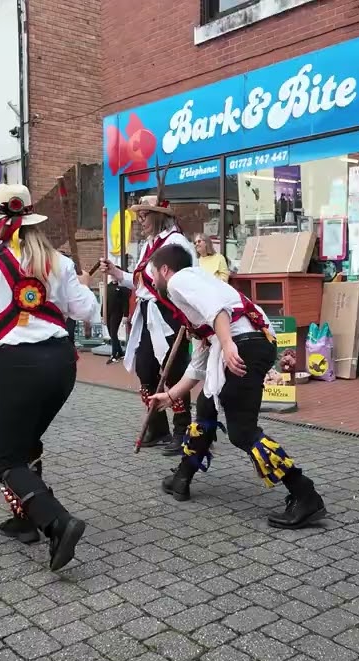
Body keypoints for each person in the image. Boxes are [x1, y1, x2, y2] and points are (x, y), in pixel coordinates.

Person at [0, 184, 99, 571]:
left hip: (17, 365)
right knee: (25, 442)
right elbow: (88, 312)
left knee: (6, 457)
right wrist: (81, 287)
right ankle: (25, 519)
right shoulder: (58, 261)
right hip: (61, 364)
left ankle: (57, 522)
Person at [147, 243, 327, 528]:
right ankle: (182, 477)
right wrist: (171, 395)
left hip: (244, 345)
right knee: (206, 409)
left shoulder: (179, 281)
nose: (152, 280)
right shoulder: (199, 285)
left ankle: (305, 495)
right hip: (248, 343)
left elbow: (218, 312)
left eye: (153, 273)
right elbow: (201, 361)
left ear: (165, 270)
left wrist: (229, 344)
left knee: (242, 431)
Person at [99, 182, 196, 456]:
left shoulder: (177, 244)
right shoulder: (149, 246)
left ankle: (183, 431)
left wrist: (188, 317)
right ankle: (158, 426)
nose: (140, 221)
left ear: (158, 216)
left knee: (173, 371)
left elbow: (184, 282)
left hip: (169, 314)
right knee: (145, 368)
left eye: (144, 215)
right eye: (139, 216)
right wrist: (116, 273)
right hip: (148, 314)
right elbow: (140, 282)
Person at [104, 245, 132, 365]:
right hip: (108, 312)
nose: (112, 276)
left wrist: (126, 315)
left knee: (114, 333)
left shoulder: (123, 287)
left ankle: (114, 354)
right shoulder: (108, 286)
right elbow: (105, 301)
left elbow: (126, 301)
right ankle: (120, 352)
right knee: (111, 333)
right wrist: (102, 313)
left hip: (117, 313)